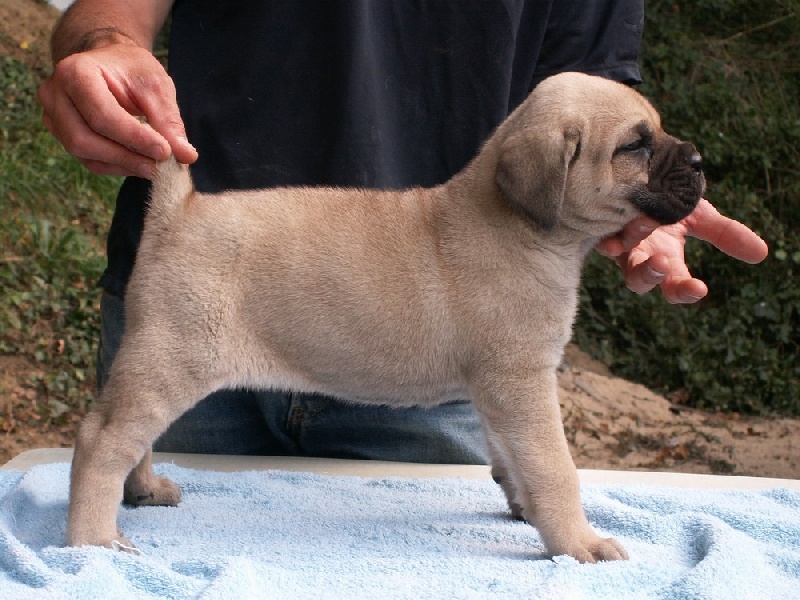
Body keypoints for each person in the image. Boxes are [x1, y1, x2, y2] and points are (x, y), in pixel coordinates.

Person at [38, 0, 767, 465]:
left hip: (432, 365)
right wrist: (104, 46)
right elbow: (107, 14)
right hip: (211, 272)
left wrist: (641, 205)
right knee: (124, 455)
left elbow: (593, 96)